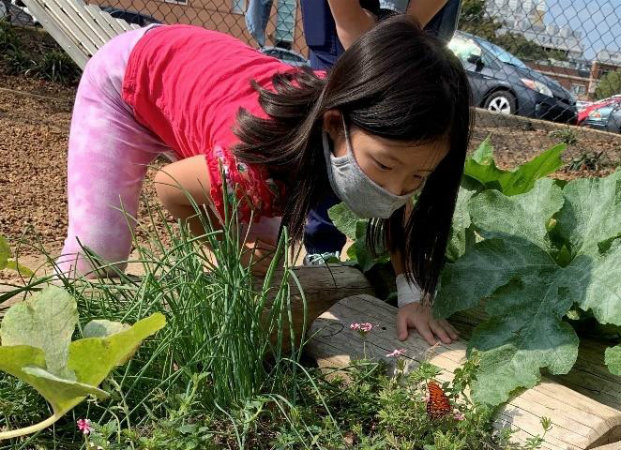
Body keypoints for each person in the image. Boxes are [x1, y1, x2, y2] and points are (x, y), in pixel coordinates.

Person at [56, 16, 471, 345]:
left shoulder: (368, 121)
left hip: (202, 88)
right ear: (333, 125)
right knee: (97, 255)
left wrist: (413, 299)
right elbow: (171, 187)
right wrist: (222, 247)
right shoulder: (257, 168)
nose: (395, 190)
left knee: (263, 264)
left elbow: (402, 210)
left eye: (417, 176)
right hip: (131, 80)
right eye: (383, 166)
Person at [300, 0, 461, 265]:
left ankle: (404, 258)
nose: (395, 192)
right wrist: (348, 20)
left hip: (422, 18)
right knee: (339, 148)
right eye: (385, 165)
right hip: (341, 18)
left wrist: (408, 28)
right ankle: (322, 249)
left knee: (407, 147)